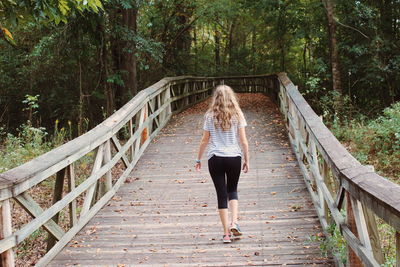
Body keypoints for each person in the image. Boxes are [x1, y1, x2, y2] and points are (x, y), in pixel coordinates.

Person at [195, 84, 249, 243]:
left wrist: (198, 159)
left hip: (215, 158)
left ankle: (226, 234)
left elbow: (205, 140)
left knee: (221, 194)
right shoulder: (238, 114)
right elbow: (244, 141)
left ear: (215, 98)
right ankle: (234, 222)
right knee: (232, 190)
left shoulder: (209, 115)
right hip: (234, 157)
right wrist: (246, 159)